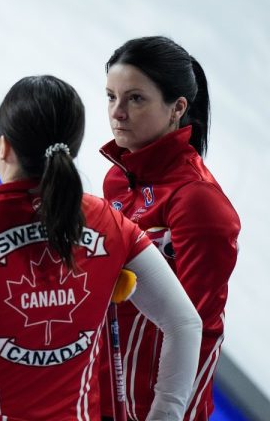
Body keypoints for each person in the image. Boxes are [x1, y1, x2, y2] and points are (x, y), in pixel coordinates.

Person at [0, 75, 204, 420]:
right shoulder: (110, 223)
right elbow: (185, 324)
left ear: (3, 146)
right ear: (72, 150)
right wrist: (165, 414)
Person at [98, 36, 241, 421]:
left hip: (159, 401)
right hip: (107, 388)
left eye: (135, 99)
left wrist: (168, 411)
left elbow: (198, 326)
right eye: (111, 96)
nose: (118, 113)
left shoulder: (198, 201)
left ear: (178, 107)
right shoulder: (117, 178)